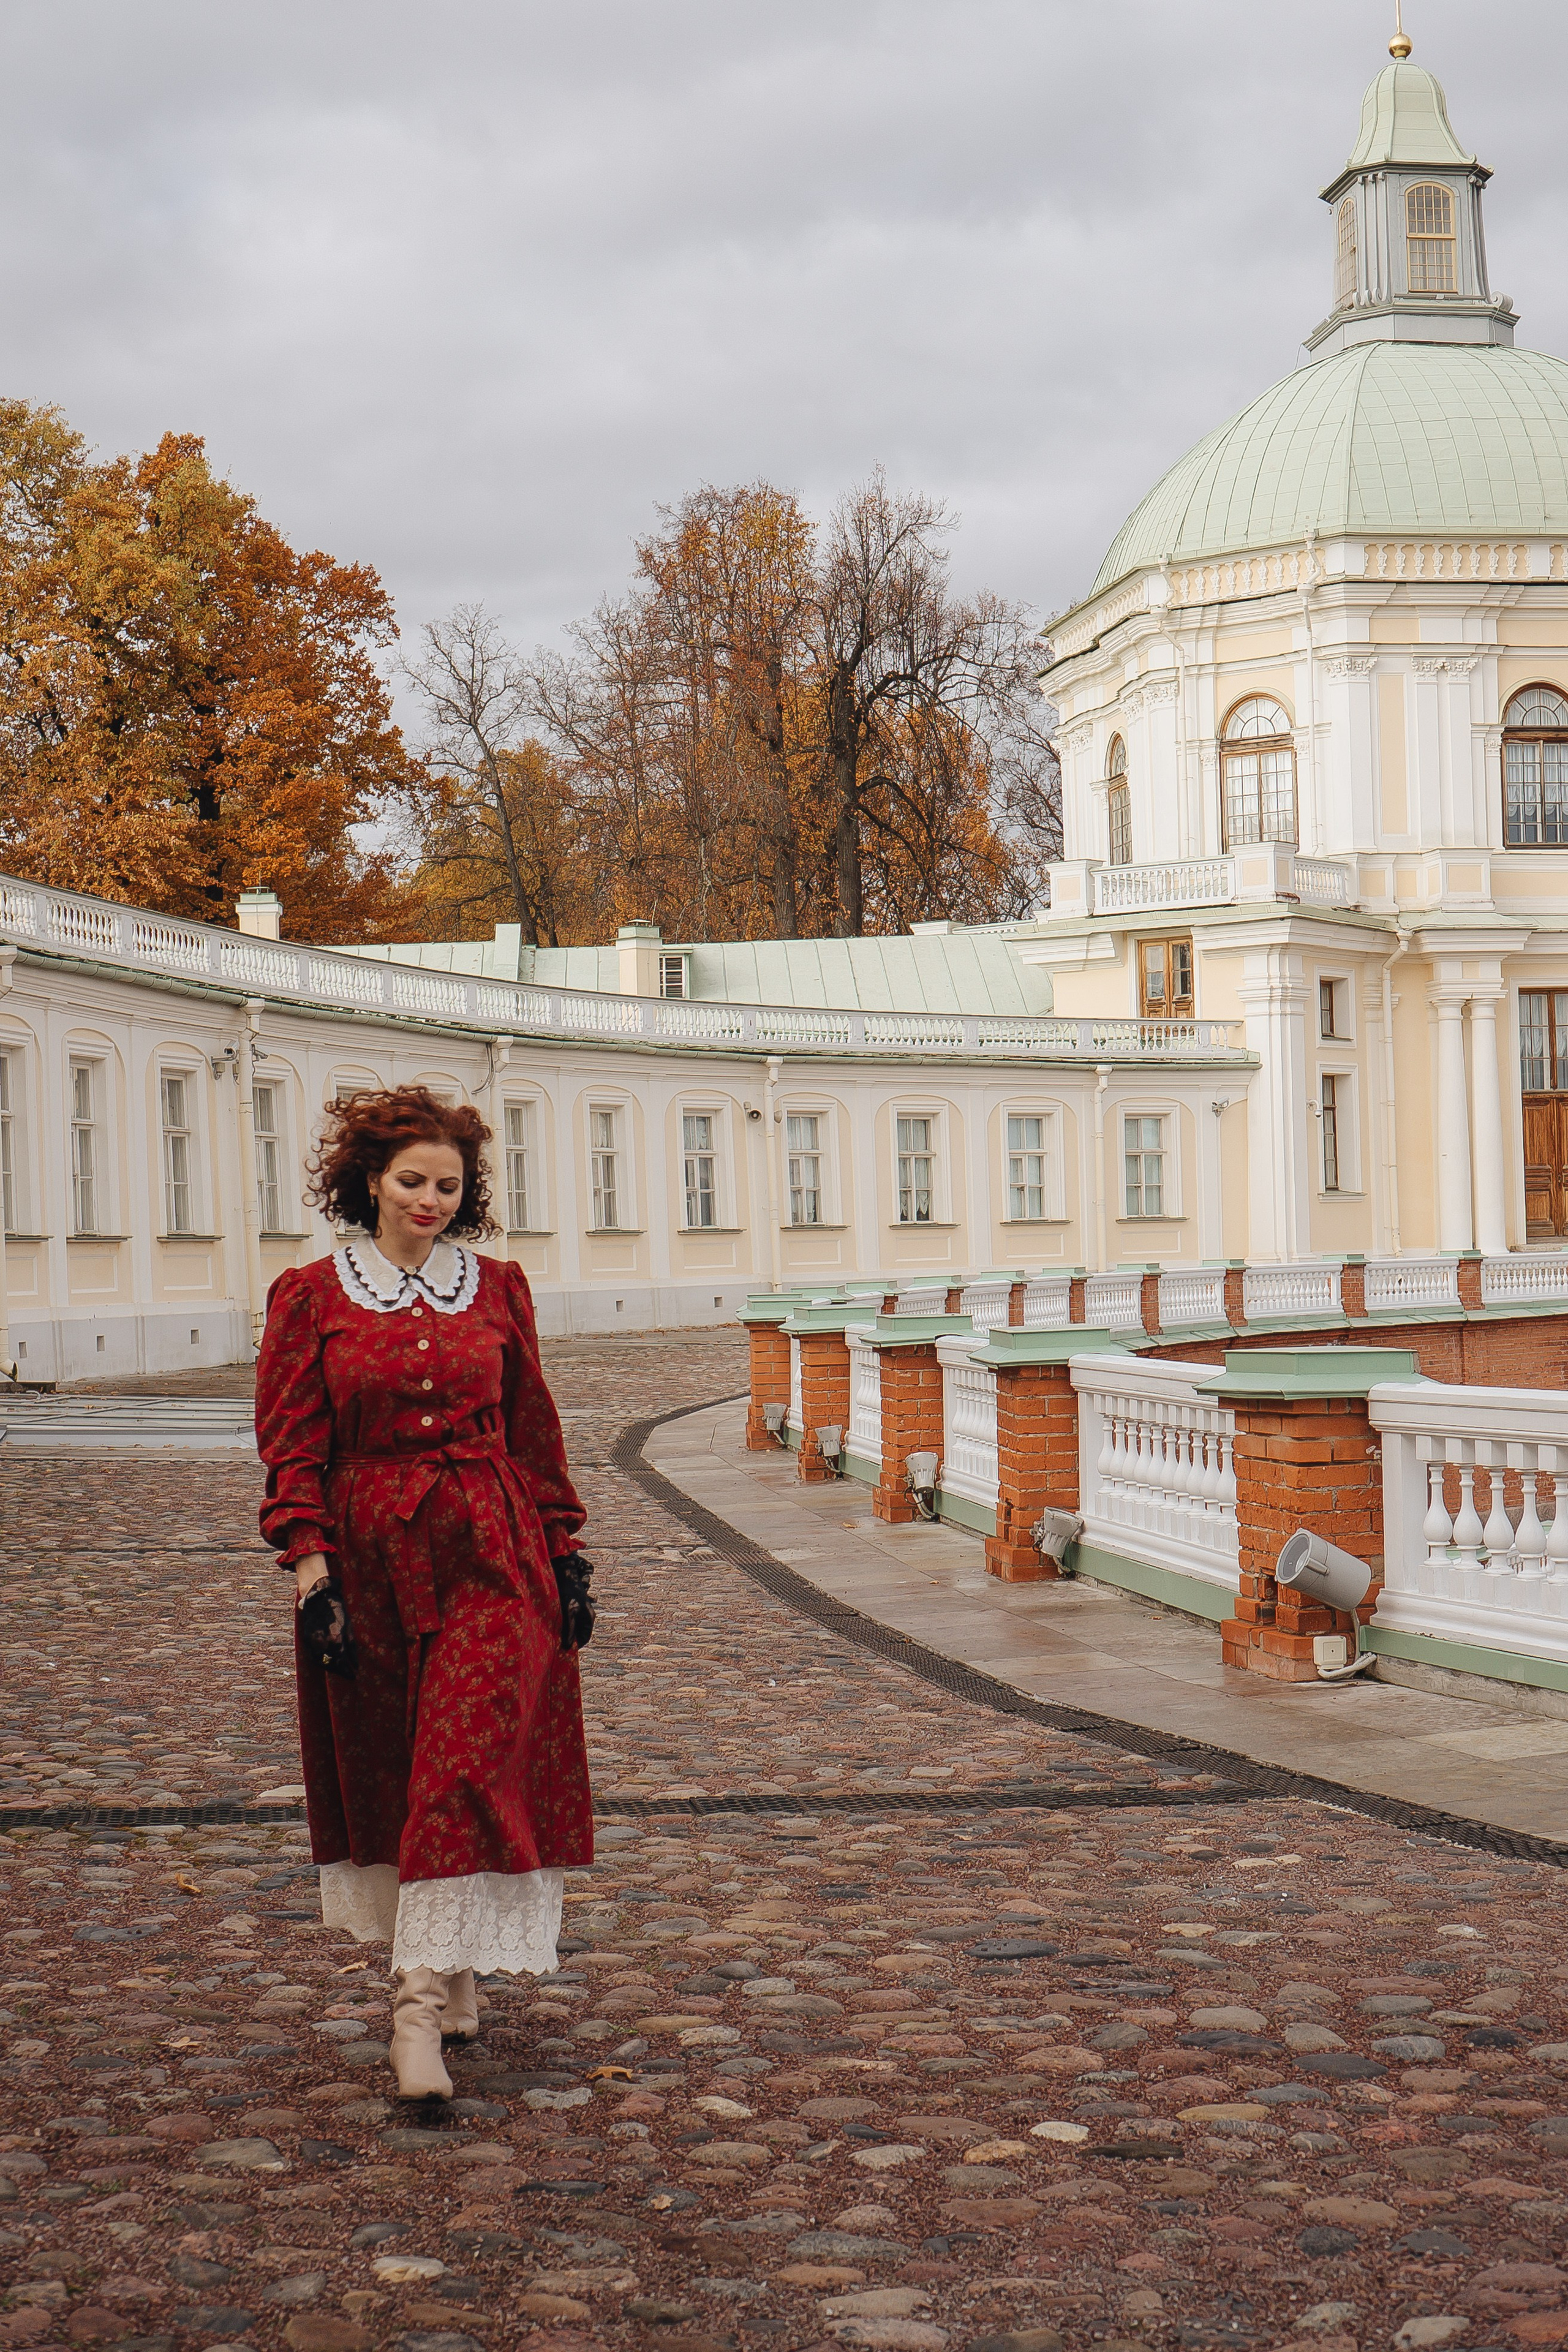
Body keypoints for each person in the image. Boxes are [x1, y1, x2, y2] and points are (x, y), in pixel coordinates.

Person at [254, 1085, 594, 2100]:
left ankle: (413, 2025)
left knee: (463, 1766)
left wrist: (565, 1551)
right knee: (398, 1773)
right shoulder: (311, 1295)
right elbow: (292, 1444)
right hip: (369, 1555)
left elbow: (533, 1423)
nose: (431, 1200)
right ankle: (451, 1977)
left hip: (495, 1551)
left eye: (449, 1184)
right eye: (413, 1181)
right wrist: (312, 1574)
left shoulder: (497, 1289)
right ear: (368, 1181)